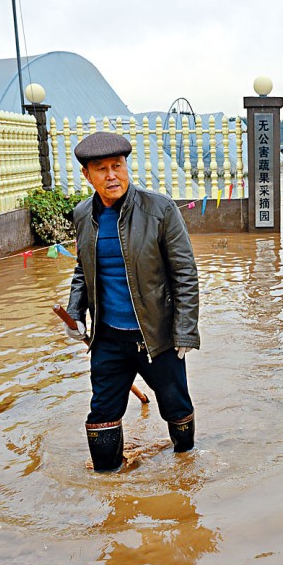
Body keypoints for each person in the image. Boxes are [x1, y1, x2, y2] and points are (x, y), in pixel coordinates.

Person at [63, 131, 200, 471]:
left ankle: (186, 470)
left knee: (175, 406)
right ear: (87, 175)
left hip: (156, 336)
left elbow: (185, 273)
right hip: (108, 337)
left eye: (117, 166)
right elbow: (83, 269)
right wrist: (75, 311)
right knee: (102, 414)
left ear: (126, 166)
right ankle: (109, 489)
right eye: (101, 169)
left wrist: (184, 332)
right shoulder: (83, 215)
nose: (111, 176)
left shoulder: (159, 209)